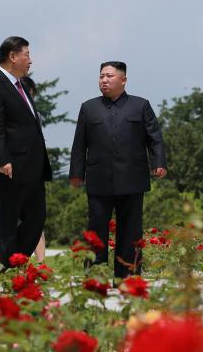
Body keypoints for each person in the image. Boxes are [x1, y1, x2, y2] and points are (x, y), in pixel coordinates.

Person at [69, 61, 167, 278]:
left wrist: (159, 162)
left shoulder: (140, 105)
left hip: (132, 179)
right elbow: (79, 143)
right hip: (98, 179)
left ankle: (128, 277)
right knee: (96, 231)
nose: (104, 80)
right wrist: (76, 172)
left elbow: (155, 138)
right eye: (101, 76)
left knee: (131, 231)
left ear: (123, 79)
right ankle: (95, 276)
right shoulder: (88, 107)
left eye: (109, 76)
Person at [0, 36, 52, 268]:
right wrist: (2, 159)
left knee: (37, 217)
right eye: (27, 55)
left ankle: (13, 263)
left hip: (32, 167)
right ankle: (11, 268)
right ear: (13, 56)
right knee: (8, 221)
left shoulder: (21, 86)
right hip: (9, 167)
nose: (30, 60)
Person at [19, 76, 46, 262]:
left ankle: (41, 262)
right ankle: (13, 261)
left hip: (34, 172)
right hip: (13, 173)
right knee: (10, 221)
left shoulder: (35, 114)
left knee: (36, 219)